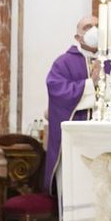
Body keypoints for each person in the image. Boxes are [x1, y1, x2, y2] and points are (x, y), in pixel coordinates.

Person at [44, 14, 101, 193]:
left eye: (97, 25)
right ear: (78, 37)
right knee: (76, 192)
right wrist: (91, 84)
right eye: (87, 27)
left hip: (105, 143)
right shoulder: (63, 63)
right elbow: (57, 90)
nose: (94, 30)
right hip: (75, 144)